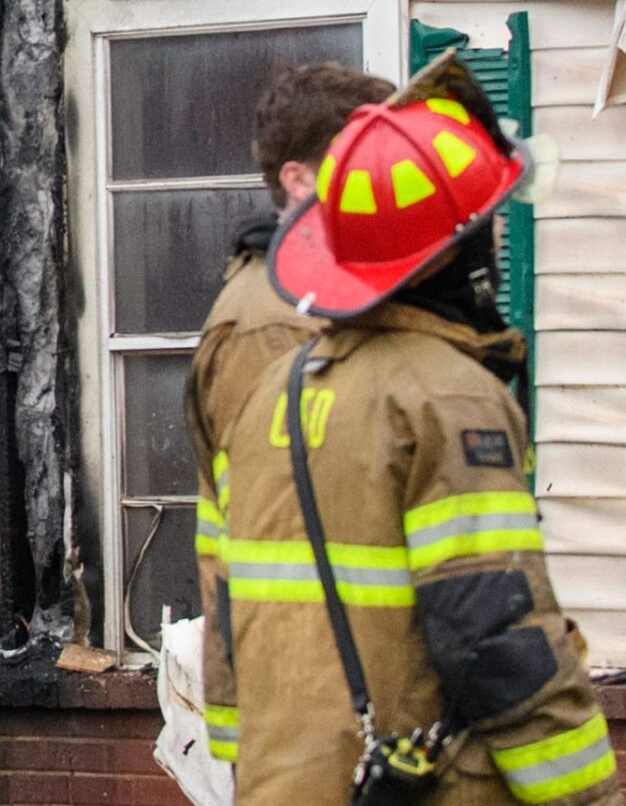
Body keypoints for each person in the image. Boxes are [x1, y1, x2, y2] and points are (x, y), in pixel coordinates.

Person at [213, 66, 619, 804]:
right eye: (488, 220)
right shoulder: (446, 397)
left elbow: (229, 613)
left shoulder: (273, 391)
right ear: (454, 250)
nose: (497, 236)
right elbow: (496, 641)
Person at [187, 60, 392, 770]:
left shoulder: (332, 303)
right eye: (367, 159)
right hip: (308, 713)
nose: (392, 178)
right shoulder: (268, 328)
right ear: (300, 181)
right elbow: (274, 542)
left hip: (353, 698)